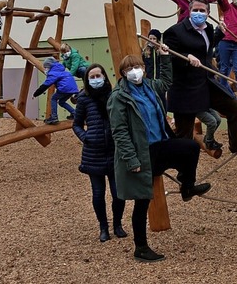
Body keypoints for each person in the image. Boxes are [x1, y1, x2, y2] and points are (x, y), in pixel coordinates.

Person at [108, 54, 211, 263]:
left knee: (190, 147)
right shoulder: (119, 97)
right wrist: (131, 160)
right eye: (129, 69)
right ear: (123, 73)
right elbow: (119, 131)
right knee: (142, 201)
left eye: (137, 66)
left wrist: (164, 58)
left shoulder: (149, 87)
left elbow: (166, 81)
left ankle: (187, 186)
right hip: (141, 152)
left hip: (160, 144)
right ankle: (141, 247)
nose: (134, 71)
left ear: (144, 69)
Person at [163, 0, 237, 153]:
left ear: (208, 13)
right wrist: (186, 57)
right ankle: (184, 175)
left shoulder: (207, 28)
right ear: (189, 11)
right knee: (184, 138)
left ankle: (236, 144)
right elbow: (168, 57)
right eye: (195, 10)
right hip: (185, 90)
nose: (198, 13)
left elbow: (205, 46)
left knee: (234, 107)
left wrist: (220, 34)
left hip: (205, 82)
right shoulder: (174, 32)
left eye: (202, 11)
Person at [72, 64, 127, 243]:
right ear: (88, 80)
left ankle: (117, 224)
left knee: (118, 192)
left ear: (104, 76)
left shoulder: (113, 96)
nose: (96, 79)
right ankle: (103, 226)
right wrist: (86, 137)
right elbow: (77, 123)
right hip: (93, 152)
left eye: (98, 75)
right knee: (98, 193)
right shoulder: (84, 99)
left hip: (113, 151)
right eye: (92, 77)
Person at [32, 56, 78, 124]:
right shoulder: (62, 70)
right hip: (73, 89)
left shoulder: (53, 73)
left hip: (64, 88)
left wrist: (35, 94)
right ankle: (75, 114)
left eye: (46, 67)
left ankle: (54, 117)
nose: (45, 69)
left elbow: (45, 85)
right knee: (61, 102)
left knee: (53, 98)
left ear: (49, 67)